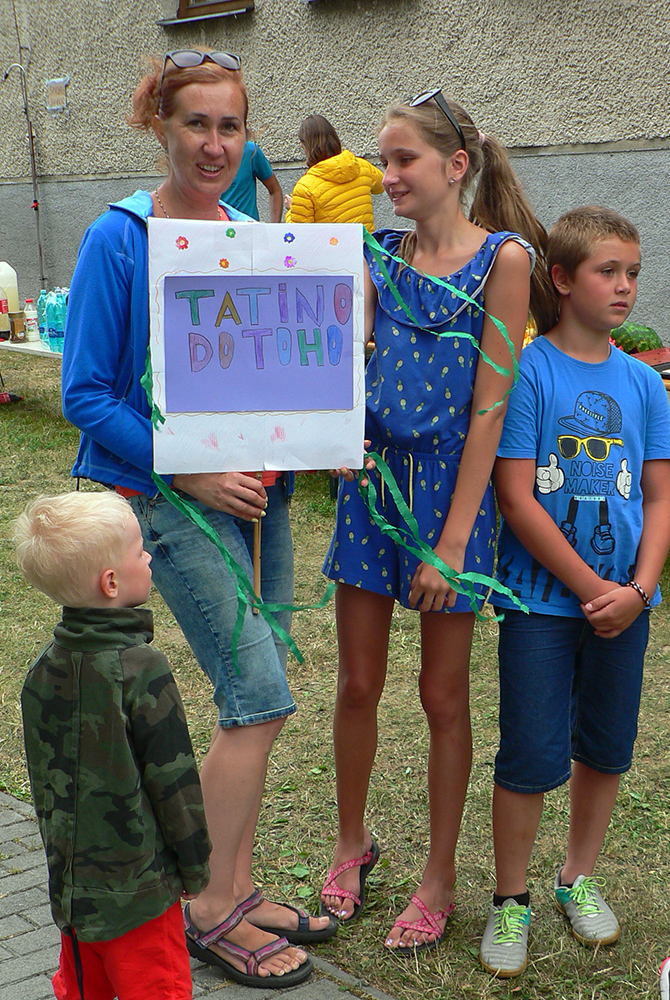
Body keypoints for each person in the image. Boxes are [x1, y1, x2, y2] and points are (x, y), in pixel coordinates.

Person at [61, 48, 334, 989]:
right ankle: (208, 910)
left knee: (256, 698)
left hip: (261, 496)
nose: (215, 144)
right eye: (196, 124)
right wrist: (195, 469)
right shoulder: (119, 237)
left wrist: (324, 426)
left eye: (230, 126)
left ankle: (238, 884)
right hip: (169, 500)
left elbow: (275, 364)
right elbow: (86, 396)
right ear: (159, 125)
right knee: (260, 694)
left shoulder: (249, 232)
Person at [320, 89, 555, 953]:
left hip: (454, 497)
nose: (386, 177)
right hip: (372, 490)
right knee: (357, 683)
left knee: (442, 694)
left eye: (402, 160)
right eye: (382, 160)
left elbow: (490, 410)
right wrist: (331, 431)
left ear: (456, 166)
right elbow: (340, 361)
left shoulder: (505, 260)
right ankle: (352, 843)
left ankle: (440, 875)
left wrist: (452, 544)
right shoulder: (376, 256)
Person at [479, 206, 670, 978]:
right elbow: (516, 496)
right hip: (541, 604)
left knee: (607, 745)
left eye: (633, 273)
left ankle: (576, 878)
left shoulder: (646, 383)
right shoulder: (529, 371)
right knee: (529, 752)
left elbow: (659, 496)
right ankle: (511, 899)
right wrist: (596, 589)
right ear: (561, 278)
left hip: (627, 606)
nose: (624, 287)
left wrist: (640, 590)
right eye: (607, 271)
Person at [14, 491, 211, 1000]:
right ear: (111, 583)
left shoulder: (41, 671)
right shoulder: (141, 669)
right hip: (141, 897)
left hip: (73, 897)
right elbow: (174, 781)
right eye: (140, 551)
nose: (149, 558)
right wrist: (195, 865)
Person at [284, 114, 384, 231]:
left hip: (334, 243)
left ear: (308, 147)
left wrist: (291, 210)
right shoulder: (361, 166)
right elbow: (381, 186)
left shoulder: (305, 187)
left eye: (303, 147)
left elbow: (299, 232)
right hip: (367, 242)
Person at [222, 139, 283, 221]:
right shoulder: (208, 154)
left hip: (248, 226)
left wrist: (274, 226)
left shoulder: (250, 150)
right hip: (216, 226)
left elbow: (275, 190)